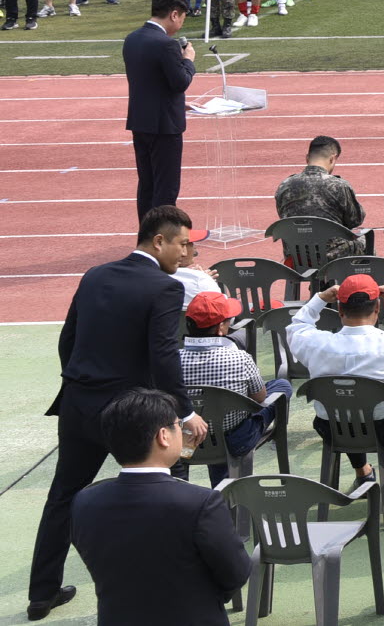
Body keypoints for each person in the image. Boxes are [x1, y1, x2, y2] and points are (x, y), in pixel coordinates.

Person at [28, 205, 207, 621]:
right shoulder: (165, 288)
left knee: (62, 497)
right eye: (182, 244)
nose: (185, 254)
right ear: (158, 241)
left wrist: (79, 379)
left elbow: (68, 337)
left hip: (77, 402)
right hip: (130, 413)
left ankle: (42, 593)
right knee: (166, 493)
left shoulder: (95, 275)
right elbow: (163, 354)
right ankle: (173, 589)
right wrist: (183, 411)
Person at [69, 387, 252, 626]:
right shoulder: (200, 502)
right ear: (163, 436)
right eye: (178, 424)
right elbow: (236, 572)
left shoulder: (84, 502)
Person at [287, 273, 384, 484]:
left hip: (332, 429)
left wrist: (319, 298)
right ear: (377, 309)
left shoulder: (316, 344)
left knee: (346, 405)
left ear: (339, 310)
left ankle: (362, 473)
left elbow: (296, 326)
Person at [178, 290, 293, 484]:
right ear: (221, 329)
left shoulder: (171, 361)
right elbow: (260, 397)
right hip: (235, 441)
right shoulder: (240, 358)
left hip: (187, 439)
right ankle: (226, 488)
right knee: (281, 385)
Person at [122, 0, 196, 216]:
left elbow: (148, 79)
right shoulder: (166, 44)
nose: (181, 24)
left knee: (147, 185)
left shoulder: (132, 38)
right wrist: (188, 61)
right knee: (166, 187)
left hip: (140, 121)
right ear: (174, 14)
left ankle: (146, 237)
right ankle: (163, 243)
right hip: (164, 126)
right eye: (182, 18)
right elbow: (180, 82)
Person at [273, 134, 366, 260]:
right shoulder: (339, 186)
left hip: (296, 255)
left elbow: (284, 217)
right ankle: (357, 279)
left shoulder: (284, 185)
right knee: (364, 239)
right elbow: (355, 220)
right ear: (332, 159)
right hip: (332, 255)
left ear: (307, 158)